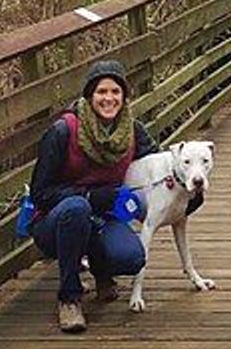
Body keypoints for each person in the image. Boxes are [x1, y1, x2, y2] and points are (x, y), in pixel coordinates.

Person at [28, 59, 156, 333]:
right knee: (76, 209)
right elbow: (40, 193)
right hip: (56, 220)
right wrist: (88, 196)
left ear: (124, 96)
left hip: (102, 217)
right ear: (89, 95)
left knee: (132, 258)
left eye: (115, 92)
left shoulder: (132, 131)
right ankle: (69, 297)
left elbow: (160, 168)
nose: (108, 99)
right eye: (101, 92)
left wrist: (190, 192)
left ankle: (102, 272)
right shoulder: (63, 130)